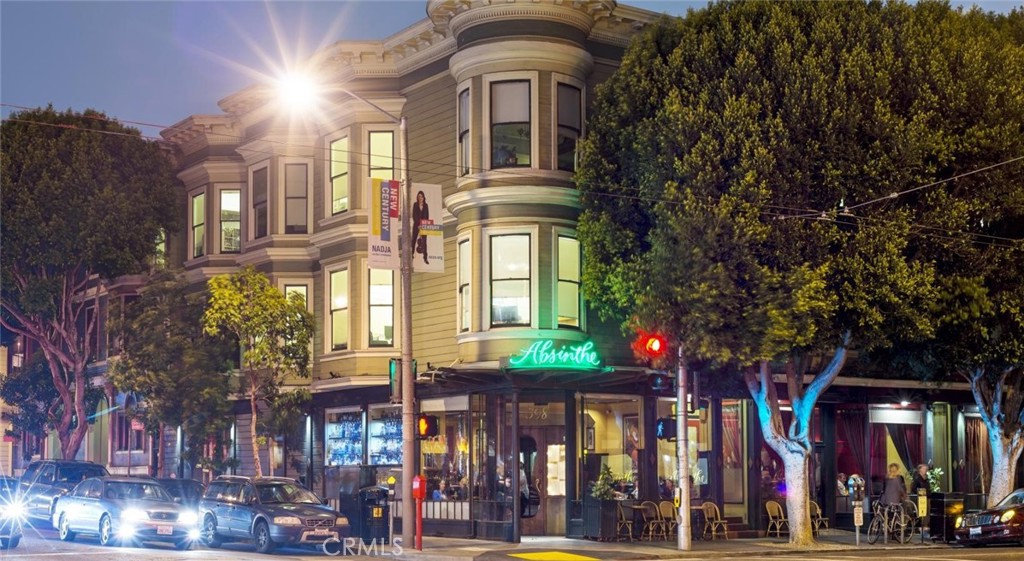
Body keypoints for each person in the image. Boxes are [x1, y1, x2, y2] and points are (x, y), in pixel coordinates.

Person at [411, 190, 429, 264]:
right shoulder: (415, 204)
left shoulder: (426, 205)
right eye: (419, 196)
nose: (420, 198)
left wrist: (423, 224)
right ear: (417, 197)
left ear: (423, 197)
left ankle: (425, 257)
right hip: (416, 225)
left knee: (424, 242)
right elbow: (414, 215)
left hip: (424, 225)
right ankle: (411, 254)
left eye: (421, 196)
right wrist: (418, 224)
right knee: (413, 240)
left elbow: (426, 216)